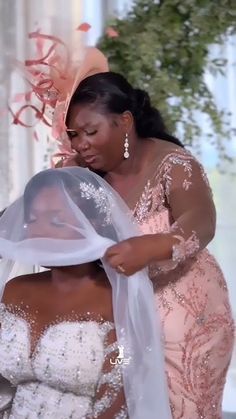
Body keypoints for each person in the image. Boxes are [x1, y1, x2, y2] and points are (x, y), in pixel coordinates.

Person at [57, 66, 234, 418]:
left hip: (186, 319)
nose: (81, 143)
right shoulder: (81, 172)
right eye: (74, 134)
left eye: (90, 131)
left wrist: (153, 246)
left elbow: (202, 219)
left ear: (125, 122)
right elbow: (36, 215)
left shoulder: (174, 164)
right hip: (120, 318)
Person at [0, 167, 172, 419]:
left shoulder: (118, 298)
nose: (40, 231)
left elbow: (123, 373)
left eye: (56, 220)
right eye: (33, 220)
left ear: (93, 223)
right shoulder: (15, 290)